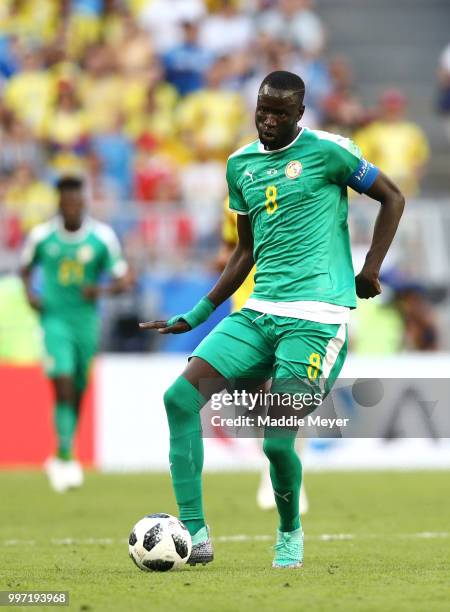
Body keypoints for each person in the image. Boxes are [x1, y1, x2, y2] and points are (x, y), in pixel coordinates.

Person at [140, 71, 405, 569]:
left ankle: (289, 531)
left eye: (280, 113)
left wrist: (369, 268)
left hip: (316, 320)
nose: (268, 120)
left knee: (277, 442)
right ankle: (194, 535)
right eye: (262, 110)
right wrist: (197, 313)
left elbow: (393, 196)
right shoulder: (240, 165)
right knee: (179, 398)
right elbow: (244, 250)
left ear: (300, 114)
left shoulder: (331, 152)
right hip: (260, 311)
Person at [20, 175, 130, 492]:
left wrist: (102, 289)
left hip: (86, 323)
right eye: (64, 200)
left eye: (74, 199)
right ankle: (66, 457)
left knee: (78, 387)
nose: (69, 205)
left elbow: (124, 279)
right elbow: (26, 268)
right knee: (64, 382)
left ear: (83, 202)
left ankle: (61, 455)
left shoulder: (101, 238)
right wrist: (30, 294)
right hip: (54, 320)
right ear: (59, 203)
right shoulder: (42, 236)